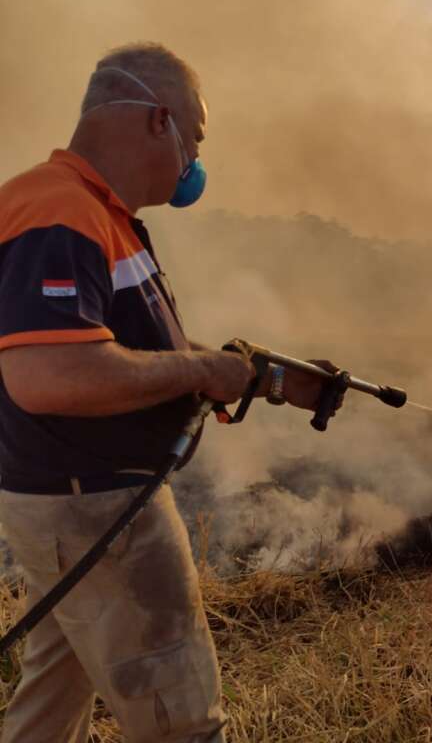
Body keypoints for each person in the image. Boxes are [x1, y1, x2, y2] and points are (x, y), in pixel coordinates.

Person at [0, 42, 334, 742]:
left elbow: (135, 358)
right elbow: (50, 376)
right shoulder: (58, 213)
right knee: (180, 721)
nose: (195, 165)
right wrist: (199, 373)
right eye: (196, 138)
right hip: (100, 512)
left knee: (50, 706)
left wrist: (269, 379)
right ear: (159, 121)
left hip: (66, 508)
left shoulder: (101, 217)